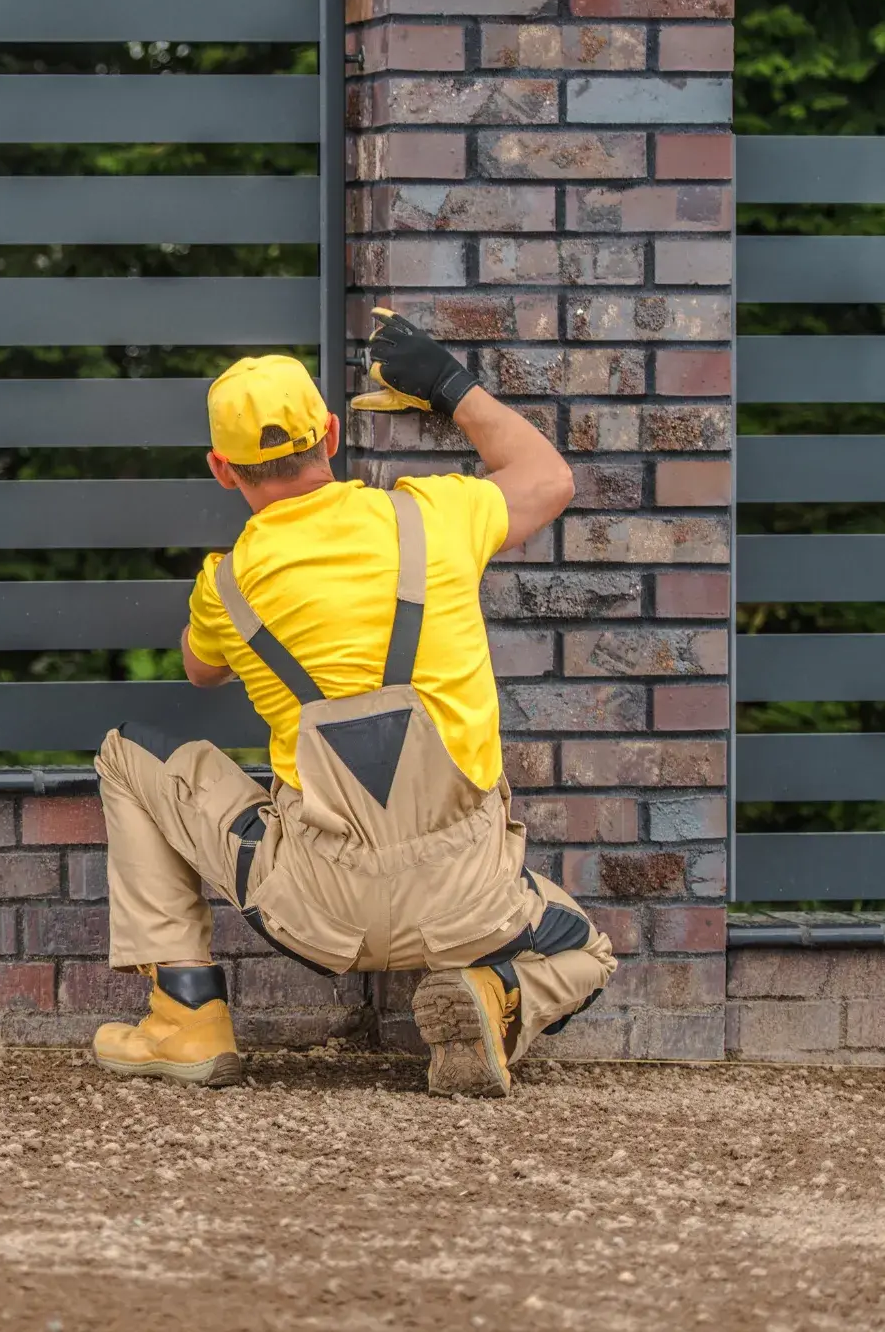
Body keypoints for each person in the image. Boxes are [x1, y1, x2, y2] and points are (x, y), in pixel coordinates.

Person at [91, 310, 616, 1098]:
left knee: (127, 754)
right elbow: (549, 480)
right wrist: (447, 385)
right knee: (586, 952)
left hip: (315, 909)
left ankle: (185, 1016)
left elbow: (201, 672)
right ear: (331, 436)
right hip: (469, 904)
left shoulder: (226, 585)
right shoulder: (433, 517)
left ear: (221, 469)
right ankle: (497, 992)